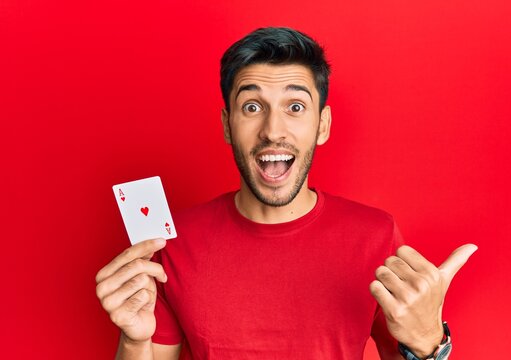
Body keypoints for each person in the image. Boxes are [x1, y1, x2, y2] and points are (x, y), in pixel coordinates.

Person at [96, 27, 477, 360]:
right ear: (228, 126)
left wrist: (429, 342)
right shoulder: (171, 243)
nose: (272, 129)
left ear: (322, 125)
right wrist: (134, 341)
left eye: (295, 106)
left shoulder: (375, 234)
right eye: (251, 106)